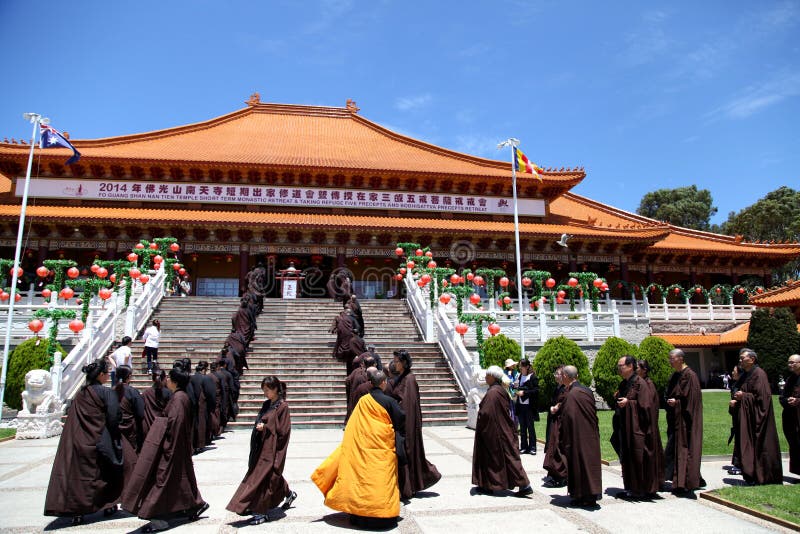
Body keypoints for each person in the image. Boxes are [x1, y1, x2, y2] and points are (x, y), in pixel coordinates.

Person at [312, 371, 405, 528]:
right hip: (382, 450)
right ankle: (382, 514)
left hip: (362, 449)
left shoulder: (363, 401)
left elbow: (353, 426)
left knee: (361, 482)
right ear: (383, 383)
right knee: (381, 481)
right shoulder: (389, 401)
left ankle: (359, 514)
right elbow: (400, 420)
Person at [121, 367, 209, 532]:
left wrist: (167, 448)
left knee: (161, 481)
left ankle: (157, 518)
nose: (166, 380)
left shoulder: (179, 399)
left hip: (172, 448)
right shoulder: (179, 397)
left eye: (169, 378)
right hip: (176, 447)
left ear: (174, 381)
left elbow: (175, 425)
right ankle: (194, 505)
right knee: (180, 478)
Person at [44, 358, 122, 525]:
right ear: (101, 375)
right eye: (107, 373)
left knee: (80, 477)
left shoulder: (80, 394)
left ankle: (77, 510)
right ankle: (108, 505)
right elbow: (114, 416)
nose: (108, 376)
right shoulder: (107, 393)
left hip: (79, 440)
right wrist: (115, 435)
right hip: (100, 438)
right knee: (104, 474)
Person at [227, 376, 296, 525]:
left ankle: (261, 511)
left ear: (276, 389)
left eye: (268, 389)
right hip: (262, 447)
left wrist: (266, 428)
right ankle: (289, 494)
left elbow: (283, 431)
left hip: (272, 449)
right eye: (263, 389)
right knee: (267, 476)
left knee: (265, 478)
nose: (265, 392)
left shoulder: (283, 407)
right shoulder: (267, 404)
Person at [471, 365, 532, 497]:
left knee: (508, 457)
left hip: (497, 431)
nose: (485, 377)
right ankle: (487, 484)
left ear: (493, 377)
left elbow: (487, 413)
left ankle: (524, 484)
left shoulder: (494, 393)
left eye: (487, 375)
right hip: (499, 429)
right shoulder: (498, 390)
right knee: (495, 458)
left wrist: (480, 414)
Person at [390, 349, 442, 500]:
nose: (394, 364)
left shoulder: (410, 379)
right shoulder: (402, 377)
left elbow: (407, 404)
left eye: (397, 361)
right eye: (394, 361)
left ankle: (410, 486)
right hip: (403, 421)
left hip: (407, 423)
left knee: (408, 452)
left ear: (404, 363)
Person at [730, 349, 783, 485]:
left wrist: (744, 396)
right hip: (747, 416)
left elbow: (763, 399)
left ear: (752, 359)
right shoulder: (746, 375)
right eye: (740, 359)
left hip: (758, 418)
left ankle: (763, 475)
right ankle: (750, 474)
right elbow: (738, 388)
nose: (740, 361)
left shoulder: (759, 374)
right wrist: (737, 399)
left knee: (761, 445)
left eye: (743, 358)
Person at [611, 356, 659, 499]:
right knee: (627, 458)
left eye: (621, 366)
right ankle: (630, 488)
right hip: (625, 427)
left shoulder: (640, 383)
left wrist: (629, 403)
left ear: (630, 366)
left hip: (638, 429)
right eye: (618, 366)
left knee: (639, 458)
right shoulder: (624, 383)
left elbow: (646, 407)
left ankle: (641, 489)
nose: (619, 368)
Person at [559, 365, 602, 507]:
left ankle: (586, 496)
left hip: (578, 435)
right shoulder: (586, 390)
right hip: (590, 434)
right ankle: (584, 494)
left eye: (561, 375)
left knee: (580, 464)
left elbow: (569, 416)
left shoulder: (573, 394)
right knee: (587, 464)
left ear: (566, 376)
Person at [664, 349, 704, 493]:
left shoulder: (690, 376)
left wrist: (677, 402)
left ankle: (687, 482)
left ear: (681, 358)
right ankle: (677, 480)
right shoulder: (675, 375)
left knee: (685, 449)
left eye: (672, 358)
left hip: (686, 421)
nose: (670, 361)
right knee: (673, 449)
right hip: (675, 419)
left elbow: (691, 400)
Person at [115, 365, 144, 486]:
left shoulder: (112, 390)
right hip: (130, 428)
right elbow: (140, 411)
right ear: (129, 377)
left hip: (116, 427)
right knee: (132, 453)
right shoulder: (132, 391)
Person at [637, 359, 664, 488]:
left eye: (638, 368)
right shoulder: (640, 383)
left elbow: (649, 405)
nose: (636, 370)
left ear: (644, 370)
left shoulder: (648, 384)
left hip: (648, 424)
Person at [543, 365, 568, 488]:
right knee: (552, 446)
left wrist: (557, 408)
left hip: (560, 420)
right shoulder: (557, 388)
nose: (555, 376)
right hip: (553, 419)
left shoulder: (565, 389)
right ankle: (553, 474)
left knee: (558, 447)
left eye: (558, 374)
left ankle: (561, 476)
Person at [780, 354, 800, 477]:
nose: (790, 365)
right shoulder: (790, 379)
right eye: (789, 362)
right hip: (791, 417)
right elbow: (782, 396)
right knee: (795, 444)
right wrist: (788, 401)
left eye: (793, 362)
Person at [141, 367, 171, 438]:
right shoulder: (168, 393)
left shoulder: (146, 393)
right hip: (162, 428)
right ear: (165, 379)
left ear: (152, 379)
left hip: (148, 427)